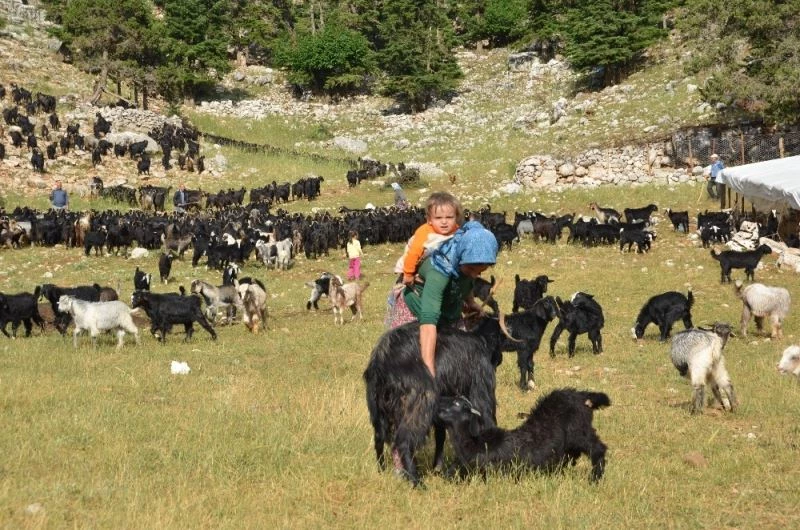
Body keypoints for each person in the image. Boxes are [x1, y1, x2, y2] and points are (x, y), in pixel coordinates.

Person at [402, 220, 499, 378]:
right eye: (471, 269)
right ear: (461, 258)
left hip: (447, 310)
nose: (475, 274)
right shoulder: (439, 272)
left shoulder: (465, 261)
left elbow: (467, 281)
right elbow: (428, 323)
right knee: (414, 367)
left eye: (481, 271)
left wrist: (470, 302)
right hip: (420, 314)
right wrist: (428, 371)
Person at [394, 191, 462, 287]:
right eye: (438, 218)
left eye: (449, 217)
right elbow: (413, 253)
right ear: (429, 220)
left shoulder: (457, 231)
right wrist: (408, 274)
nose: (444, 222)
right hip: (414, 265)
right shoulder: (424, 233)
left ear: (456, 217)